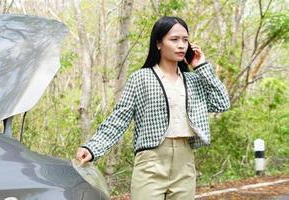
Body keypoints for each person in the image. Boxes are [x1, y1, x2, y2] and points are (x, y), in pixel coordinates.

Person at [75, 16, 230, 200]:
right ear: (158, 43)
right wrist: (92, 148)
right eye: (174, 40)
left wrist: (201, 66)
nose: (181, 45)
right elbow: (119, 119)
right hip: (150, 162)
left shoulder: (194, 80)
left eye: (185, 40)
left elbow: (222, 102)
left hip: (185, 162)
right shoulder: (141, 78)